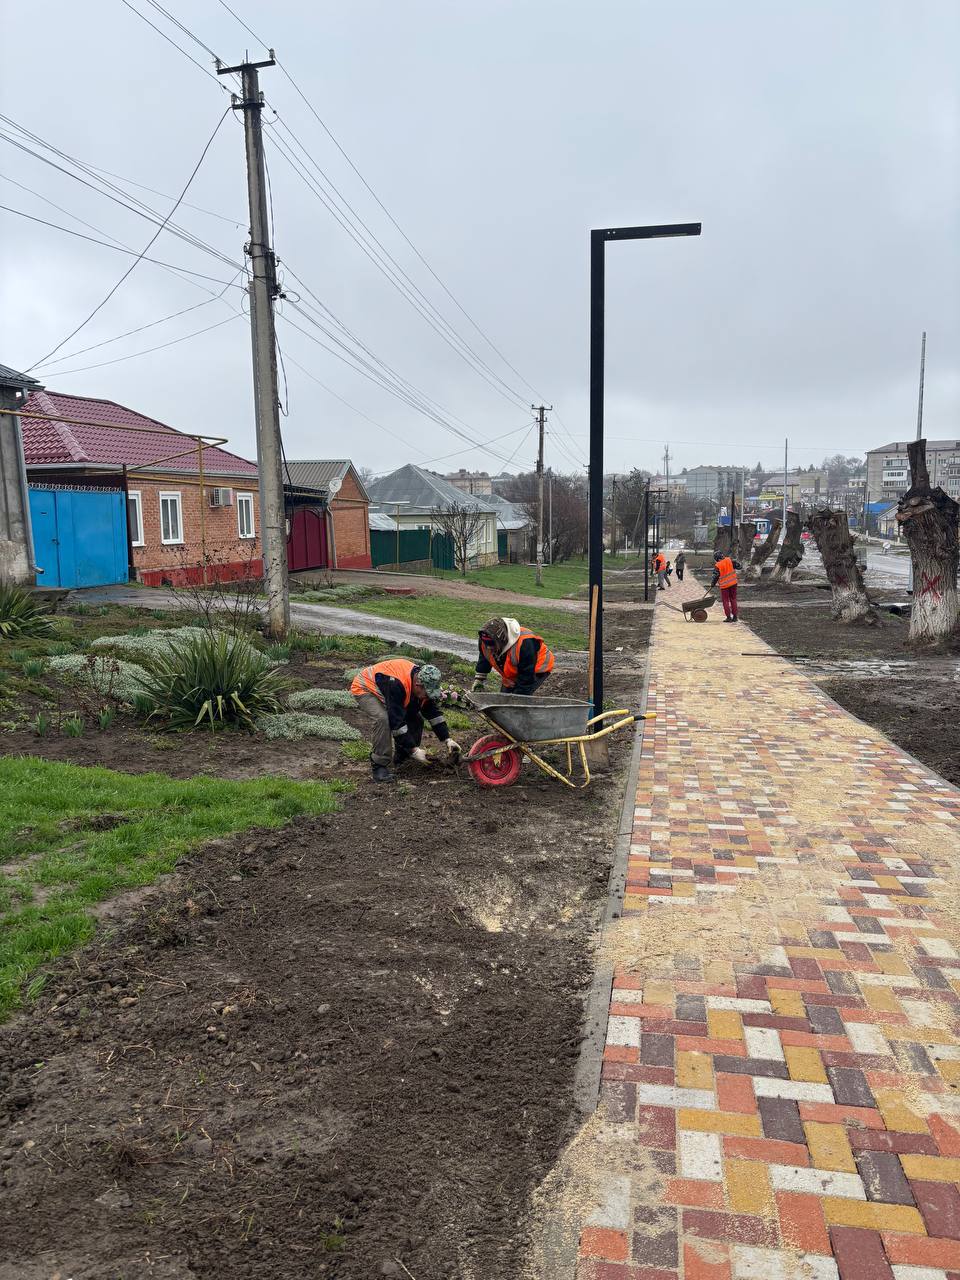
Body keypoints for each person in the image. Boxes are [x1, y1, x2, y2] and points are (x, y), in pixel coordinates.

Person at [350, 658, 460, 783]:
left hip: (390, 688)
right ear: (418, 684)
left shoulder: (425, 683)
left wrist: (447, 739)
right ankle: (379, 766)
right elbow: (396, 722)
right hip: (366, 687)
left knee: (416, 719)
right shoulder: (396, 684)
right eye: (427, 693)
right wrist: (414, 750)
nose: (427, 696)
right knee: (383, 720)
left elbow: (432, 713)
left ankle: (402, 758)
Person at [471, 617, 555, 696]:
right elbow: (485, 658)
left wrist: (517, 698)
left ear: (502, 640)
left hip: (536, 668)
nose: (488, 647)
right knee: (503, 699)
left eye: (492, 645)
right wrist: (479, 679)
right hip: (514, 670)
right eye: (487, 645)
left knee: (518, 698)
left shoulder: (525, 643)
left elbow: (527, 677)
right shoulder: (486, 638)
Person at [710, 550, 741, 622]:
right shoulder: (730, 560)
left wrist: (712, 584)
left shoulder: (718, 565)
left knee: (725, 601)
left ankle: (728, 617)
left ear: (717, 559)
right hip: (733, 583)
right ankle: (735, 617)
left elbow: (715, 576)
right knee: (733, 599)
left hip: (724, 586)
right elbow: (739, 566)